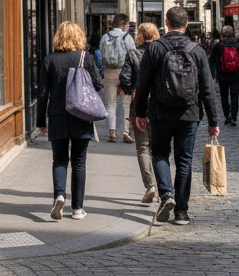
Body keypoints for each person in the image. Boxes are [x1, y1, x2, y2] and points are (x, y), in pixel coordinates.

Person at [134, 6, 220, 226]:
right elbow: (207, 89)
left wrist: (140, 113)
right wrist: (213, 121)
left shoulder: (154, 48)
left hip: (160, 111)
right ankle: (181, 212)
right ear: (187, 24)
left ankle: (167, 195)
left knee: (160, 154)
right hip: (189, 113)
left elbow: (142, 85)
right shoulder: (197, 50)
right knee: (184, 160)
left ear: (166, 22)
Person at [37, 21, 104, 221]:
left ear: (58, 37)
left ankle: (59, 195)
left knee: (59, 159)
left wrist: (41, 121)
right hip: (81, 115)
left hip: (57, 115)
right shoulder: (86, 57)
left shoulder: (49, 60)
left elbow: (42, 93)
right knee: (79, 161)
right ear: (79, 37)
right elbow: (98, 86)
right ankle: (77, 209)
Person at [119, 22, 160, 204]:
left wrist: (131, 89)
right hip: (161, 104)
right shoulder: (162, 53)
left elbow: (125, 78)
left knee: (143, 147)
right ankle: (163, 188)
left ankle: (150, 185)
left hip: (139, 103)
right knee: (159, 148)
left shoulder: (134, 53)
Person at [99, 13, 136, 143]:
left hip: (109, 72)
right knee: (126, 103)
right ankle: (125, 131)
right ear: (125, 24)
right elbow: (133, 56)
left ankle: (112, 132)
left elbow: (100, 53)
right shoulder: (127, 37)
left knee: (111, 103)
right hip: (125, 72)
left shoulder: (105, 37)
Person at [208, 24, 239, 126]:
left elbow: (212, 61)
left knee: (224, 96)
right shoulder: (238, 45)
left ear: (222, 34)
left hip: (222, 75)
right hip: (236, 74)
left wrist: (212, 74)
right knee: (234, 96)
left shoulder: (218, 46)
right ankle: (234, 117)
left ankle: (227, 116)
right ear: (233, 34)